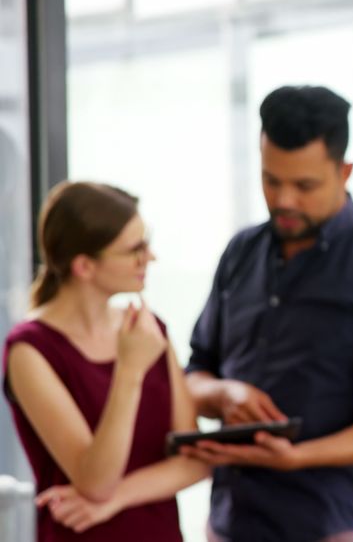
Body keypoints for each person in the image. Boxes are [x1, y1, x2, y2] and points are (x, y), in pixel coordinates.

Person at [182, 85, 353, 542]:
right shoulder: (239, 253)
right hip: (230, 523)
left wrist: (299, 456)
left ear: (345, 171)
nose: (284, 200)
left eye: (304, 185)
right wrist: (223, 392)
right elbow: (193, 375)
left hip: (331, 526)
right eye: (271, 180)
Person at [2, 182, 208, 541]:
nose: (150, 258)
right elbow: (96, 481)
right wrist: (128, 371)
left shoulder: (148, 330)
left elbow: (196, 459)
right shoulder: (30, 350)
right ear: (84, 266)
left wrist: (115, 500)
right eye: (135, 250)